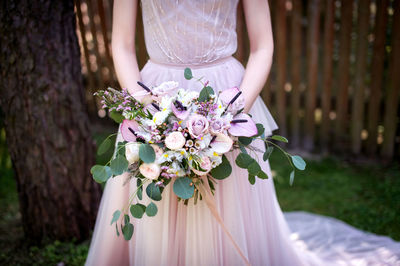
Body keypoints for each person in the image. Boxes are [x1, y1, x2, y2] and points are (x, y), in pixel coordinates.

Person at [86, 1, 400, 265]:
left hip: (226, 93)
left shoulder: (231, 105)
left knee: (229, 194)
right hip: (154, 96)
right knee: (160, 191)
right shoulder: (148, 103)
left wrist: (232, 110)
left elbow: (263, 46)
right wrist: (145, 107)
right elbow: (122, 45)